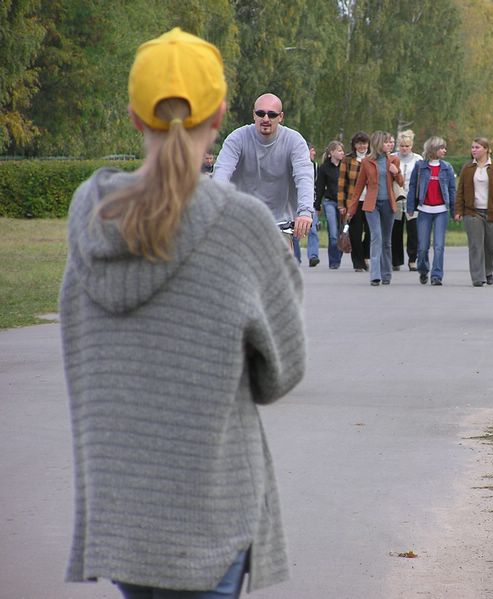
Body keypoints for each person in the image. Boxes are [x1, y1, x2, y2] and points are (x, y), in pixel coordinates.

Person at [59, 28, 306, 598]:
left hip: (122, 522)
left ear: (133, 116)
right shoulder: (240, 226)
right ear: (220, 116)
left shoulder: (91, 220)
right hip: (211, 519)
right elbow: (282, 372)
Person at [212, 92, 313, 240]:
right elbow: (222, 172)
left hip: (280, 223)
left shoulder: (294, 141)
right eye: (260, 113)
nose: (265, 119)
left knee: (281, 261)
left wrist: (305, 213)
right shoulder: (237, 138)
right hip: (241, 220)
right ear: (254, 115)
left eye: (272, 114)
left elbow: (304, 176)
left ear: (280, 117)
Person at [346, 130, 404, 286]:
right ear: (379, 144)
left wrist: (396, 171)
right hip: (372, 205)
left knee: (386, 241)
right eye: (386, 142)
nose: (390, 144)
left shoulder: (394, 160)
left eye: (391, 142)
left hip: (388, 204)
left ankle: (386, 274)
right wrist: (351, 209)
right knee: (376, 237)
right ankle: (375, 275)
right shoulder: (366, 162)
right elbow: (358, 187)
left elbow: (401, 182)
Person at [454, 137, 493, 287]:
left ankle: (488, 272)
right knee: (475, 245)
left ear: (486, 149)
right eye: (472, 147)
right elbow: (460, 191)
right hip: (472, 212)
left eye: (477, 147)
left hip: (492, 212)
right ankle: (478, 277)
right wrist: (458, 210)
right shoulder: (467, 168)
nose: (474, 150)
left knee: (491, 246)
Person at [407, 136, 456, 286]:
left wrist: (454, 210)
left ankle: (436, 276)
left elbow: (452, 190)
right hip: (424, 211)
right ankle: (423, 270)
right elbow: (413, 186)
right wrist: (410, 207)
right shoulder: (420, 166)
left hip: (441, 211)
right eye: (441, 148)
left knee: (439, 246)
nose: (444, 151)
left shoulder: (447, 167)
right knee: (422, 247)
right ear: (433, 150)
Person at [338, 131, 371, 271]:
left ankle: (365, 255)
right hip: (353, 202)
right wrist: (341, 204)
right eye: (359, 143)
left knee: (370, 232)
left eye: (364, 143)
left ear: (368, 145)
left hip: (370, 201)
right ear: (354, 145)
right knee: (355, 233)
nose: (361, 146)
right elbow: (341, 183)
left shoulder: (372, 159)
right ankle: (358, 263)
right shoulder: (347, 160)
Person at [392, 129, 422, 271]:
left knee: (413, 231)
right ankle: (396, 260)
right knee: (396, 230)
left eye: (407, 146)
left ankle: (413, 259)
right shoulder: (391, 157)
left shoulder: (418, 159)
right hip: (396, 198)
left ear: (411, 146)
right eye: (402, 146)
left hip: (412, 199)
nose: (404, 149)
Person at [316, 140, 345, 269]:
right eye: (339, 151)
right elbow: (320, 187)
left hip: (344, 203)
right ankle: (334, 261)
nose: (342, 153)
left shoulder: (345, 166)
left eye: (342, 151)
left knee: (342, 232)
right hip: (330, 202)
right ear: (331, 152)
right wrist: (317, 205)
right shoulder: (324, 168)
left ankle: (339, 254)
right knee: (333, 233)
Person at [293, 145, 320, 266]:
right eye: (312, 150)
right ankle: (296, 258)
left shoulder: (314, 165)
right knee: (294, 232)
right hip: (294, 201)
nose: (314, 152)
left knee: (312, 229)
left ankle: (313, 256)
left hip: (309, 201)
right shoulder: (292, 163)